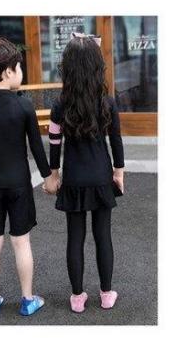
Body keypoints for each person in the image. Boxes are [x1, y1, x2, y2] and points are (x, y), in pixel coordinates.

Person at [0, 38, 57, 316]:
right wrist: (49, 177)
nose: (21, 73)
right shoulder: (23, 105)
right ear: (7, 71)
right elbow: (36, 147)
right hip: (19, 183)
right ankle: (27, 299)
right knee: (21, 241)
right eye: (19, 67)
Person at [45, 32, 124, 313]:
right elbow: (116, 141)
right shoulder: (108, 102)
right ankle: (106, 294)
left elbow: (54, 144)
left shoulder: (60, 105)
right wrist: (119, 173)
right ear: (96, 66)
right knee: (103, 236)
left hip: (74, 179)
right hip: (101, 177)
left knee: (74, 238)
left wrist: (54, 175)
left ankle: (77, 298)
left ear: (67, 68)